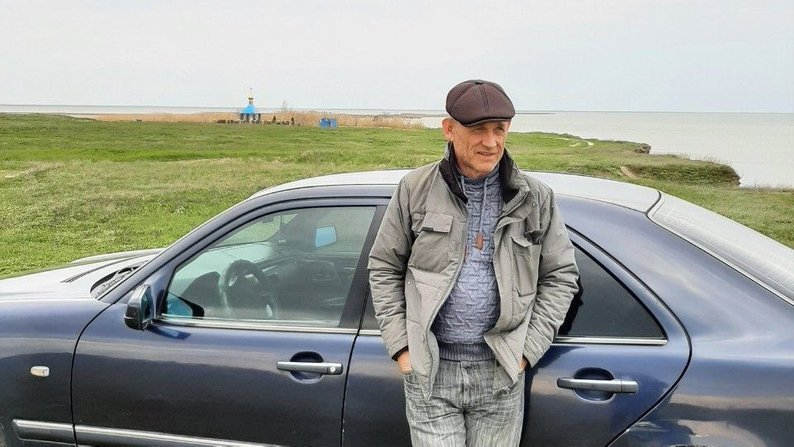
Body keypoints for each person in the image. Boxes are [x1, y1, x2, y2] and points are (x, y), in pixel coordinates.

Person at [368, 79, 579, 446]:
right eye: (478, 129)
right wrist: (403, 349)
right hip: (431, 371)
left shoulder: (536, 198)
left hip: (500, 373)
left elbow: (560, 276)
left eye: (500, 129)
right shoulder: (415, 189)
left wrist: (525, 352)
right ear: (449, 129)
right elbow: (384, 266)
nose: (491, 142)